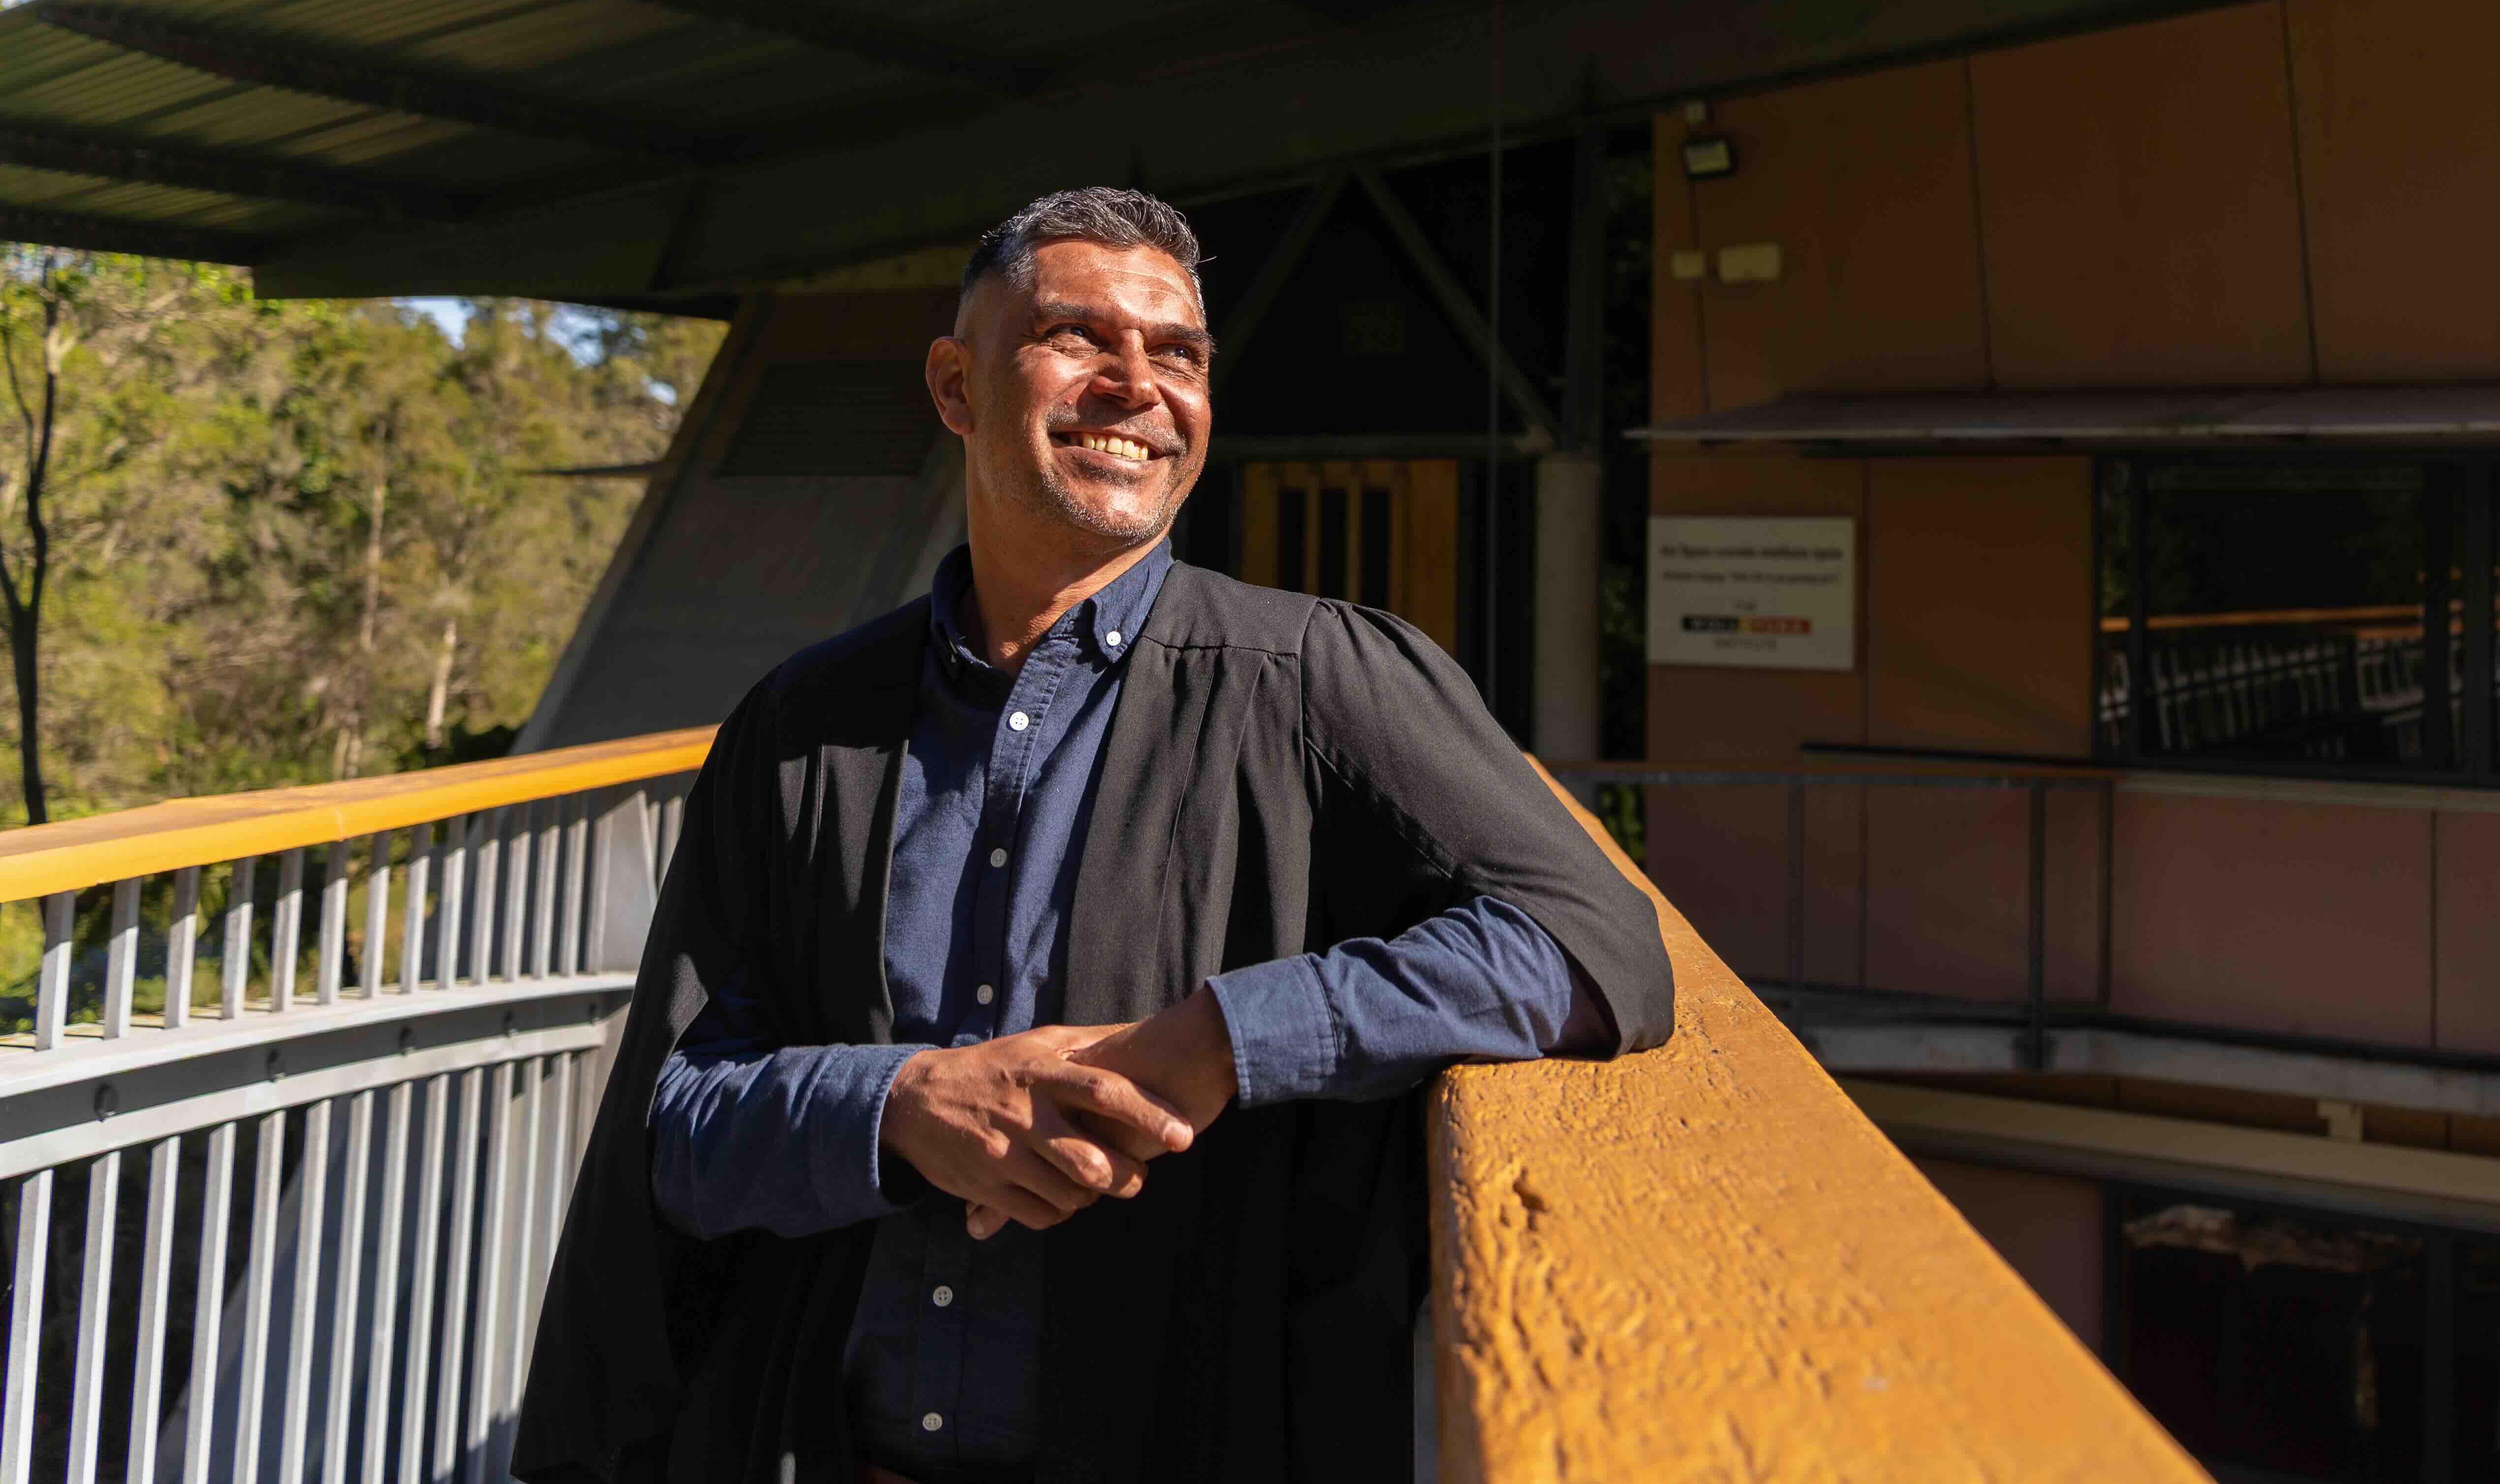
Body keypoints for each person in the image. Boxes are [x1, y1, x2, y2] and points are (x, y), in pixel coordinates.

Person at [516, 188, 1673, 1484]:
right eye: (1077, 338)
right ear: (955, 387)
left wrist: (1225, 1035)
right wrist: (900, 1104)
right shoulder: (803, 724)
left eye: (1176, 353)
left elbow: (1592, 947)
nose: (1136, 386)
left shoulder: (1317, 677)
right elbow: (678, 1133)